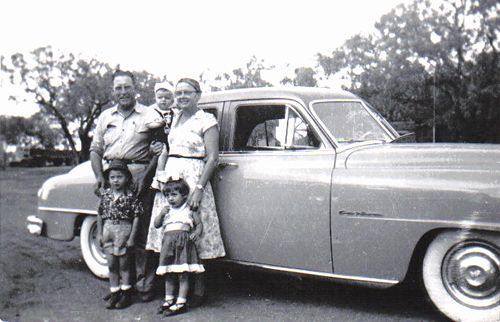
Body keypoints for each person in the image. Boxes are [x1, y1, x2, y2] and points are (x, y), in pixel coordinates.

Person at [146, 78, 225, 307]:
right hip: (171, 177)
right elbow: (167, 147)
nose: (181, 97)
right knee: (172, 227)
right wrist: (158, 153)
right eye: (178, 93)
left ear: (198, 95)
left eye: (187, 93)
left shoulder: (206, 120)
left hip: (193, 177)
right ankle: (173, 288)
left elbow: (212, 158)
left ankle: (198, 291)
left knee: (194, 231)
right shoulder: (174, 117)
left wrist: (199, 188)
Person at [90, 70, 162, 302]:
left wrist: (146, 176)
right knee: (115, 229)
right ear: (113, 91)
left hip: (140, 174)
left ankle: (143, 285)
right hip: (112, 176)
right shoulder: (105, 117)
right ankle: (121, 287)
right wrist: (100, 175)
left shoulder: (149, 114)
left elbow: (159, 148)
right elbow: (96, 150)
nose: (123, 92)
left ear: (135, 88)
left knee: (139, 234)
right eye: (118, 88)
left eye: (127, 87)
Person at [154, 176, 204, 316]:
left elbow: (199, 224)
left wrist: (197, 232)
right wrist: (161, 215)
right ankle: (169, 299)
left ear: (184, 195)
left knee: (183, 274)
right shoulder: (167, 210)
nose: (170, 198)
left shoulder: (189, 210)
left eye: (174, 195)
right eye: (168, 195)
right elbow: (157, 225)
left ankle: (181, 302)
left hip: (183, 244)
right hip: (168, 244)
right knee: (168, 273)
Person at [97, 160, 142, 309]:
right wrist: (99, 233)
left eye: (119, 177)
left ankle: (126, 294)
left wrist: (132, 237)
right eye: (112, 177)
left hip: (124, 230)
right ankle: (114, 292)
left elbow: (136, 216)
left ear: (127, 178)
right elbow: (100, 214)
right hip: (108, 229)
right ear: (109, 179)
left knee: (124, 265)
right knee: (111, 265)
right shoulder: (106, 196)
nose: (116, 180)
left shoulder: (130, 196)